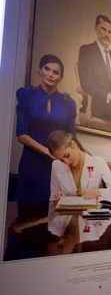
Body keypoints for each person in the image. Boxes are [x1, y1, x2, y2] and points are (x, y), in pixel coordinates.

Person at [15, 54, 77, 202]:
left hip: (58, 165)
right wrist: (47, 152)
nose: (50, 74)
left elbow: (71, 137)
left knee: (54, 215)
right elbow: (21, 134)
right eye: (47, 69)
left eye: (55, 72)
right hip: (31, 163)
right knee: (26, 215)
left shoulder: (69, 103)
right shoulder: (26, 95)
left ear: (61, 77)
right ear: (40, 71)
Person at [78, 15, 111, 121]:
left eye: (110, 32)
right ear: (96, 28)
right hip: (98, 102)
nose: (106, 34)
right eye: (103, 29)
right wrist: (109, 96)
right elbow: (86, 82)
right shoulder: (86, 50)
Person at [47, 130, 111, 201]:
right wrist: (57, 197)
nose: (66, 162)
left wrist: (98, 192)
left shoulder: (98, 162)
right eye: (61, 160)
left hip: (92, 213)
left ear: (73, 144)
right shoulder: (56, 165)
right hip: (66, 214)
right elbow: (52, 198)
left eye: (67, 155)